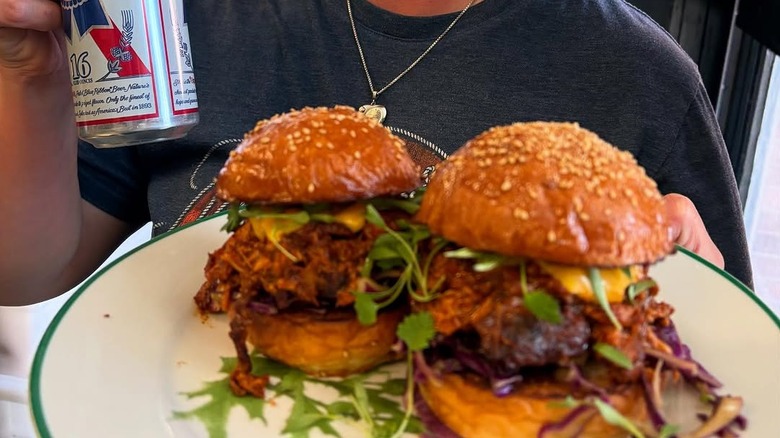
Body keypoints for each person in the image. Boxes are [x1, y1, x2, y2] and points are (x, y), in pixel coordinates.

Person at [0, 0, 751, 306]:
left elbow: (727, 357)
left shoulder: (639, 75)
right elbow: (26, 270)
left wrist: (688, 307)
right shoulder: (170, 22)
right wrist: (27, 74)